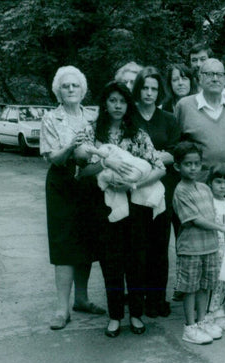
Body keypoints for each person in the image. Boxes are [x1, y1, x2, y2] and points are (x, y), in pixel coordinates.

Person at [94, 81, 166, 337]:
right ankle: (114, 316)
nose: (117, 106)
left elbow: (160, 167)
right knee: (111, 261)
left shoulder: (138, 133)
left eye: (122, 101)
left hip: (136, 206)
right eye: (112, 100)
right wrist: (108, 172)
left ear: (128, 105)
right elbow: (82, 163)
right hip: (105, 206)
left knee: (137, 259)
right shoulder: (94, 131)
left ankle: (135, 314)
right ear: (105, 104)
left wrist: (133, 183)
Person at [39, 65, 106, 331]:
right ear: (58, 91)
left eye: (75, 85)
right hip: (62, 183)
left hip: (89, 181)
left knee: (87, 241)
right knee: (64, 245)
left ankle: (82, 299)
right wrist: (71, 146)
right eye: (65, 86)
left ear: (83, 90)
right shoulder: (50, 118)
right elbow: (52, 157)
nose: (70, 89)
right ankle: (61, 308)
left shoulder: (94, 116)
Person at [172, 141, 225, 345]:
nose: (193, 168)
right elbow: (195, 220)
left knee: (205, 286)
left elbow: (214, 211)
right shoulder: (181, 191)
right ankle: (190, 327)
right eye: (187, 164)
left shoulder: (204, 188)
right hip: (191, 249)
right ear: (177, 167)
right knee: (190, 288)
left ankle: (202, 321)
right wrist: (221, 228)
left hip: (210, 246)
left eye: (196, 164)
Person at [132, 66, 182, 317]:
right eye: (145, 87)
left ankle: (156, 299)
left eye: (154, 88)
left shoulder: (169, 119)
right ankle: (137, 299)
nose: (149, 93)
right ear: (138, 89)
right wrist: (155, 157)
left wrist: (149, 157)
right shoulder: (130, 117)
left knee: (159, 248)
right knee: (137, 247)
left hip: (163, 190)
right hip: (135, 191)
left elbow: (174, 153)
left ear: (159, 91)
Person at [174, 58, 225, 222]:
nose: (215, 78)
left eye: (219, 74)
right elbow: (176, 147)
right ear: (200, 78)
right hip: (197, 191)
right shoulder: (185, 106)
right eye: (209, 74)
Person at [204, 163, 225, 332]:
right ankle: (208, 314)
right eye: (218, 182)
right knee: (213, 281)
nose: (222, 186)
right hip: (213, 249)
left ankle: (219, 311)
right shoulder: (208, 202)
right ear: (210, 182)